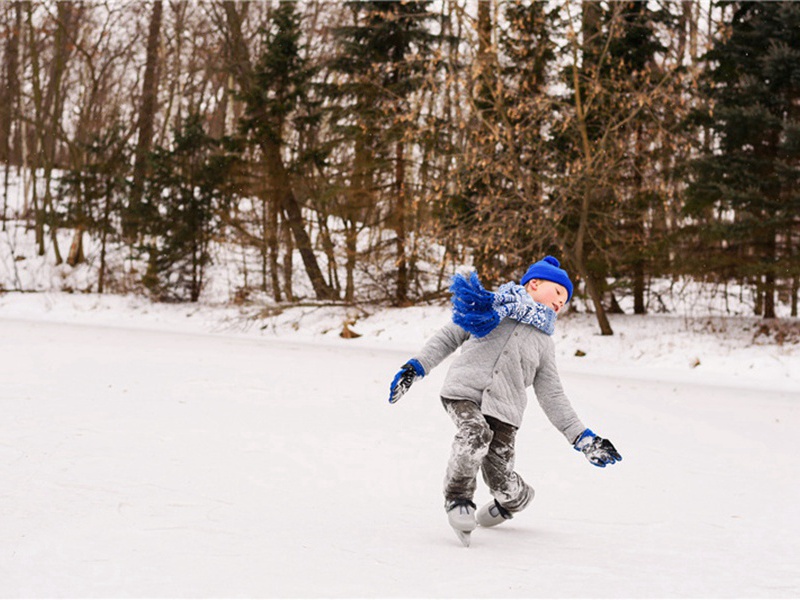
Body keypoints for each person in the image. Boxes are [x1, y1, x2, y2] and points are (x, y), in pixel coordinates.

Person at [388, 256, 621, 545]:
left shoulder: (544, 343)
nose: (562, 302)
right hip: (464, 392)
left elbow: (552, 394)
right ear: (534, 284)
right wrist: (416, 367)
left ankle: (516, 499)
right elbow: (449, 336)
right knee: (475, 434)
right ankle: (458, 498)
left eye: (567, 300)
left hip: (506, 412)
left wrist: (583, 438)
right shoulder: (492, 306)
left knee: (501, 478)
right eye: (559, 292)